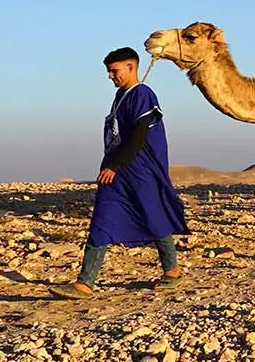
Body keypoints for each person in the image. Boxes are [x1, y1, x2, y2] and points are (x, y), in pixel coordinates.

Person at [50, 48, 189, 299]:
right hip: (117, 168)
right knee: (103, 216)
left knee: (153, 213)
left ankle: (172, 270)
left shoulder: (143, 94)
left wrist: (116, 165)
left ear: (130, 67)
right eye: (108, 72)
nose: (110, 76)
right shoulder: (120, 97)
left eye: (114, 71)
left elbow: (139, 135)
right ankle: (85, 283)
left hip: (139, 168)